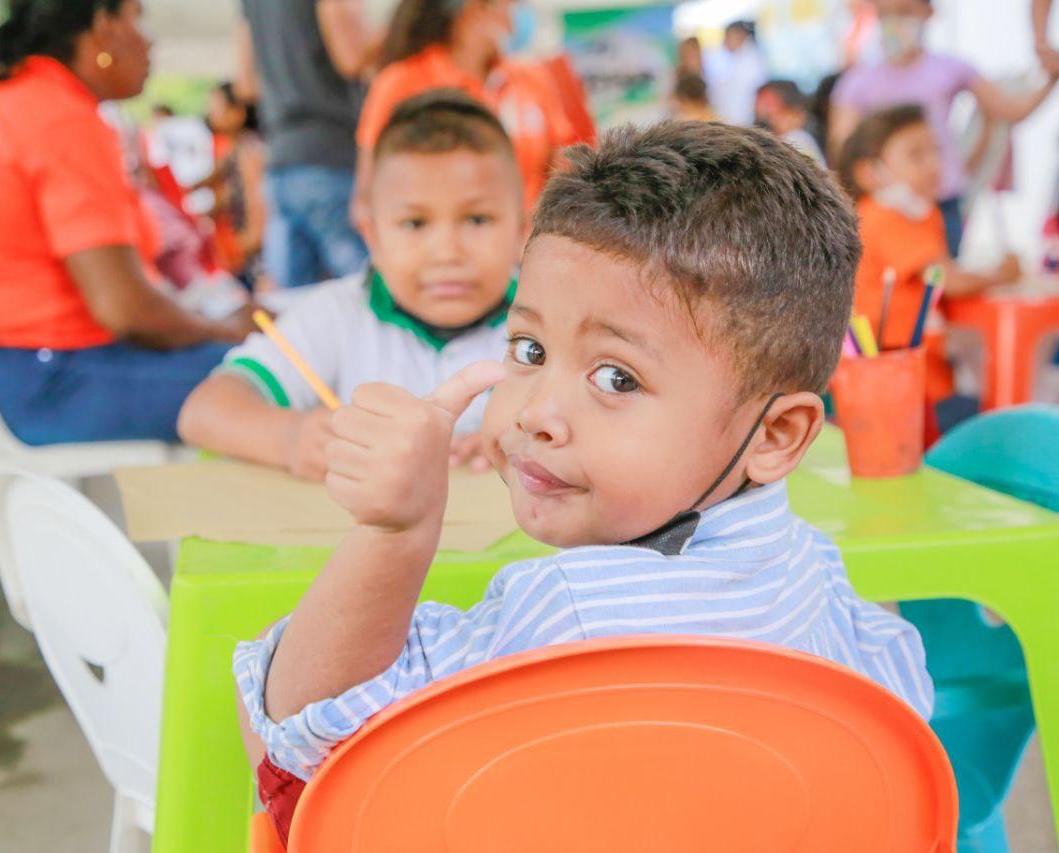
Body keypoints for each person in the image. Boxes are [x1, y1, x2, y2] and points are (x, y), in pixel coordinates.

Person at [233, 120, 933, 843]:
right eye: (529, 348)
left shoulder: (566, 617)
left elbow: (302, 736)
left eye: (615, 377)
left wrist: (397, 531)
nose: (536, 411)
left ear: (776, 434)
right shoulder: (816, 570)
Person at [0, 0, 251, 449]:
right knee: (280, 375)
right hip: (34, 384)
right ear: (103, 27)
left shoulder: (7, 102)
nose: (149, 38)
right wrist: (230, 333)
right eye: (136, 17)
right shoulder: (59, 116)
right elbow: (126, 310)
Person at [178, 91, 524, 478]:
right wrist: (292, 438)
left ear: (522, 227)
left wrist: (528, 442)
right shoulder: (338, 314)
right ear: (370, 233)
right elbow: (203, 411)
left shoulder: (550, 322)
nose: (446, 252)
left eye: (477, 220)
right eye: (415, 223)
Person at [838, 105, 1020, 437]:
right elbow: (947, 280)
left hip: (922, 362)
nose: (933, 164)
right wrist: (1002, 273)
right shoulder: (885, 215)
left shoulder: (923, 213)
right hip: (890, 363)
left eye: (935, 151)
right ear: (871, 173)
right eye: (915, 155)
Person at [830, 0, 1058, 257]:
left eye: (904, 11)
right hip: (889, 204)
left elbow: (1011, 110)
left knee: (938, 283)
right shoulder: (857, 81)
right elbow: (844, 147)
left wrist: (1052, 77)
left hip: (944, 199)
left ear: (928, 11)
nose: (894, 21)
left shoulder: (952, 68)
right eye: (885, 13)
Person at [354, 0, 581, 218]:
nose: (517, 18)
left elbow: (563, 171)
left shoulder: (532, 79)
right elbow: (369, 194)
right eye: (512, 4)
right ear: (474, 8)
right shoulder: (401, 83)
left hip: (525, 247)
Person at [237, 0, 377, 288]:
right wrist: (407, 28)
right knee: (370, 292)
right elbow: (351, 57)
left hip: (280, 162)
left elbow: (246, 84)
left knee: (296, 305)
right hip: (330, 155)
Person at [200, 81, 266, 288]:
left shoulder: (249, 151)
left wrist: (240, 251)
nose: (210, 114)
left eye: (215, 107)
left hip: (256, 264)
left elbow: (258, 212)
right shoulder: (238, 149)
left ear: (238, 113)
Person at [703, 20, 768, 126]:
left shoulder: (750, 61)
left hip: (742, 119)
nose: (725, 42)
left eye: (728, 37)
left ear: (740, 36)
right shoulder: (738, 59)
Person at [755, 79, 826, 167]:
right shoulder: (790, 138)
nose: (774, 120)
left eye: (781, 113)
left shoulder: (797, 138)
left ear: (797, 114)